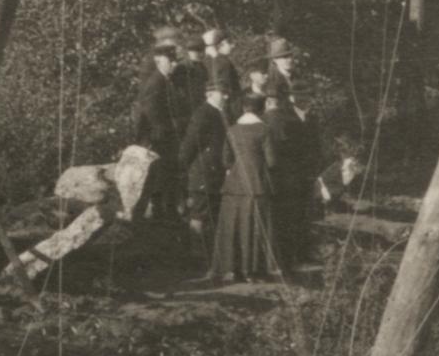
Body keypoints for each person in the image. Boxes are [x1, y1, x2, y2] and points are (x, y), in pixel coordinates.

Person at [125, 38, 196, 235]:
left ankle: (168, 216)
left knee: (169, 179)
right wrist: (181, 123)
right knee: (162, 180)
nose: (173, 64)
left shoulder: (167, 81)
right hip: (159, 140)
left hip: (167, 139)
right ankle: (162, 218)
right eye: (169, 60)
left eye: (174, 61)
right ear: (158, 60)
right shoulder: (156, 83)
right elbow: (154, 118)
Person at [210, 86, 280, 283]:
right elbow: (272, 161)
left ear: (243, 108)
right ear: (260, 109)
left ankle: (230, 269)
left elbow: (226, 160)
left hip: (234, 185)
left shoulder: (232, 130)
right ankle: (253, 271)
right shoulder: (264, 130)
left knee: (233, 225)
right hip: (257, 183)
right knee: (255, 226)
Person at [258, 72, 320, 278]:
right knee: (287, 221)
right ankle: (287, 263)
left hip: (281, 178)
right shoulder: (289, 121)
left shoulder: (267, 120)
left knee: (282, 220)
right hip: (289, 178)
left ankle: (282, 262)